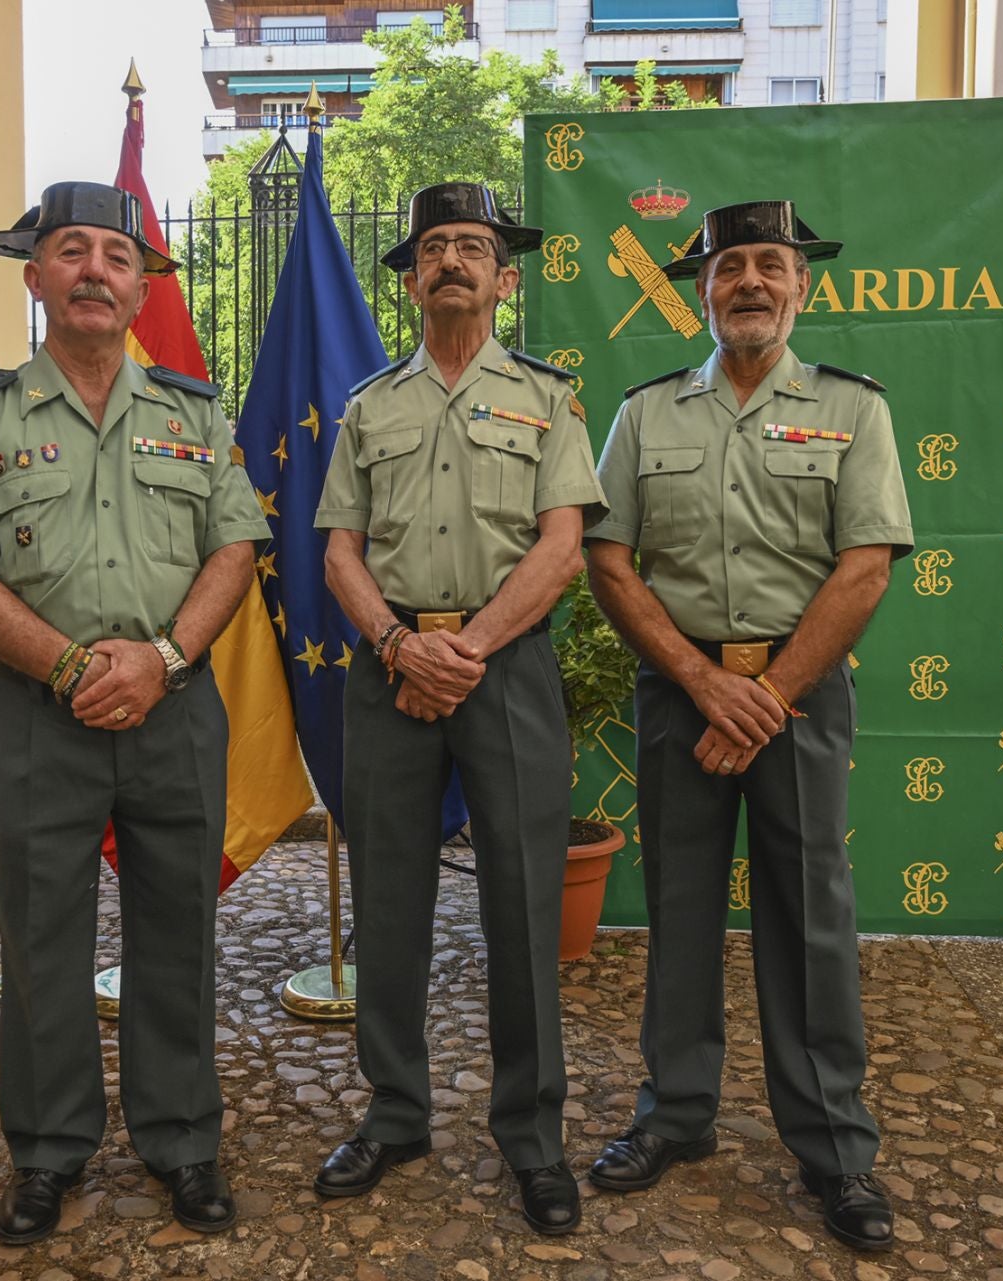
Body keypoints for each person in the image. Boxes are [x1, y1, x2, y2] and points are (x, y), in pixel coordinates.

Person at [0, 181, 269, 1246]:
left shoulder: (194, 413)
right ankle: (48, 1151)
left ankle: (182, 1140)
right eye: (72, 252)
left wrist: (162, 659)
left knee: (179, 934)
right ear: (37, 278)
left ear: (141, 286)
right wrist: (71, 667)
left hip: (176, 712)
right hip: (37, 722)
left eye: (118, 257)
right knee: (41, 941)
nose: (96, 273)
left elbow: (234, 550)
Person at [582, 200, 913, 1252]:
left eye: (771, 264)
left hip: (799, 697)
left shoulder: (854, 408)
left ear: (802, 285)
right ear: (702, 290)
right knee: (679, 906)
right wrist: (699, 680)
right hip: (681, 696)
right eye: (730, 268)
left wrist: (764, 697)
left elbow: (866, 566)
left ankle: (835, 1147)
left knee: (810, 915)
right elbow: (608, 560)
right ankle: (675, 1114)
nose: (751, 283)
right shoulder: (645, 414)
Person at [310, 182, 606, 1236]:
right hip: (391, 669)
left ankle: (532, 1135)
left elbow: (563, 546)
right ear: (411, 280)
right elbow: (340, 551)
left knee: (523, 903)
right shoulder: (369, 406)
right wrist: (400, 646)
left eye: (471, 247)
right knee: (388, 897)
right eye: (433, 247)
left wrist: (465, 650)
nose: (451, 261)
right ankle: (394, 1114)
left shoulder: (548, 399)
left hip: (503, 668)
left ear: (503, 278)